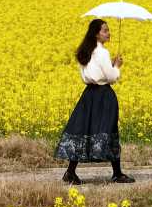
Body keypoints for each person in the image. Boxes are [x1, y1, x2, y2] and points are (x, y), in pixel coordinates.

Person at [54, 18, 135, 185]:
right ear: (97, 34)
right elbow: (111, 77)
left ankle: (70, 172)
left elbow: (96, 73)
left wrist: (110, 66)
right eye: (105, 30)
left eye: (108, 30)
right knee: (110, 131)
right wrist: (117, 66)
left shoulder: (85, 50)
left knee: (84, 130)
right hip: (104, 95)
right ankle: (117, 173)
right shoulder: (102, 52)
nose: (109, 33)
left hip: (89, 94)